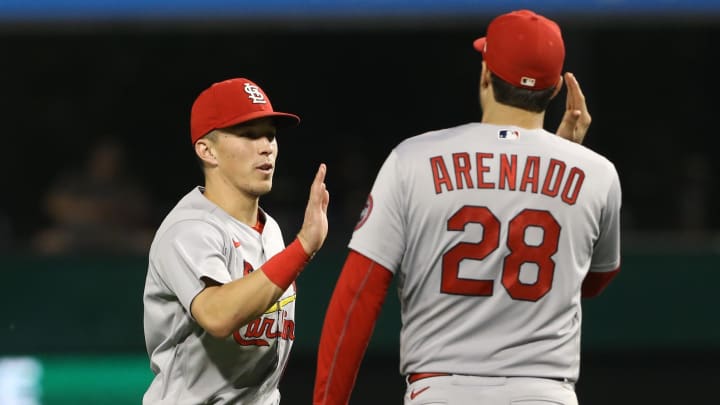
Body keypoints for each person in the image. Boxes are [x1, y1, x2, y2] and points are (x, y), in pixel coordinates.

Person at [313, 9, 620, 405]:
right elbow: (592, 282)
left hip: (441, 390)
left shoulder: (414, 159)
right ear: (558, 88)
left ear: (486, 73)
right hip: (545, 392)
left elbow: (358, 297)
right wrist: (565, 156)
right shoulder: (596, 173)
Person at [142, 77, 329, 404]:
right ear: (207, 150)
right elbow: (218, 315)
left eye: (270, 134)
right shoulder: (189, 228)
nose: (266, 145)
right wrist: (302, 248)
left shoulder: (269, 229)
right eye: (248, 134)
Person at [30, 136, 155, 256]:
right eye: (104, 156)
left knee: (149, 241)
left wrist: (109, 212)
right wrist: (92, 210)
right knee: (47, 241)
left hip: (116, 237)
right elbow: (53, 205)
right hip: (77, 236)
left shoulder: (127, 185)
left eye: (113, 158)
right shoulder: (75, 181)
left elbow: (139, 210)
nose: (108, 161)